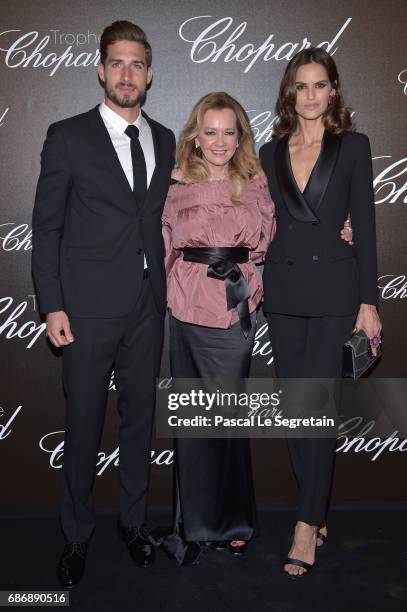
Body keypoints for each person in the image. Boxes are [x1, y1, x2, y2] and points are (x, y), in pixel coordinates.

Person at [31, 21, 175, 587]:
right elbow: (46, 229)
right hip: (86, 309)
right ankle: (75, 536)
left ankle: (134, 525)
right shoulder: (67, 136)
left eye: (137, 64)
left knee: (139, 422)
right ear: (100, 70)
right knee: (84, 424)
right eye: (117, 63)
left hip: (148, 305)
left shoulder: (165, 139)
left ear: (149, 74)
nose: (127, 74)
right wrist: (52, 305)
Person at [259, 47, 382, 577]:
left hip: (335, 290)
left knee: (318, 407)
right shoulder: (268, 153)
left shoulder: (353, 148)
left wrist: (368, 300)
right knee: (294, 408)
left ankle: (306, 524)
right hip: (283, 292)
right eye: (301, 86)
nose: (311, 95)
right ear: (291, 93)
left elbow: (368, 229)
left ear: (333, 91)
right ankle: (317, 506)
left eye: (320, 85)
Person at [161, 91, 276, 565]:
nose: (220, 141)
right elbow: (162, 242)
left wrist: (342, 224)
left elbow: (272, 236)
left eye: (229, 132)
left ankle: (232, 519)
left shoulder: (255, 181)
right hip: (186, 308)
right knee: (193, 419)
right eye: (211, 131)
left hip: (232, 309)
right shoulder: (173, 182)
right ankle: (195, 522)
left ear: (241, 137)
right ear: (195, 134)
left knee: (225, 417)